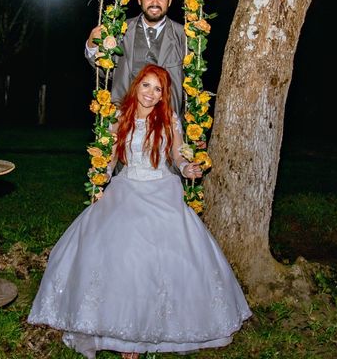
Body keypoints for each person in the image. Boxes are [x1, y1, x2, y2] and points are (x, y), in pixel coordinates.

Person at [27, 64, 251, 359]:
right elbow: (108, 160)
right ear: (137, 86)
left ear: (163, 96)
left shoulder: (169, 119)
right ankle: (123, 334)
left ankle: (144, 334)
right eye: (146, 85)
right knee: (121, 248)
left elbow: (176, 156)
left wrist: (188, 167)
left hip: (162, 188)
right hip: (127, 187)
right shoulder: (120, 117)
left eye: (158, 89)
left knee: (165, 253)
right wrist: (100, 180)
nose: (151, 93)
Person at [85, 0, 186, 117]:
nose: (155, 2)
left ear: (169, 0)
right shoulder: (120, 31)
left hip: (166, 123)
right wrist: (92, 45)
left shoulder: (183, 36)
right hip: (124, 121)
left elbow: (192, 85)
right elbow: (103, 72)